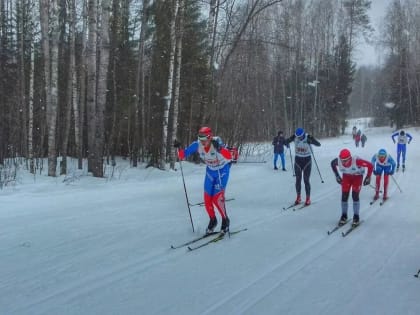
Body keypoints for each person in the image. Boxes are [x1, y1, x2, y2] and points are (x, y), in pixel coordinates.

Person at [174, 126, 232, 234]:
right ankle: (213, 220)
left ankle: (225, 220)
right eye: (200, 138)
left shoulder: (217, 142)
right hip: (210, 172)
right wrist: (178, 148)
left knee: (216, 198)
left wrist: (220, 148)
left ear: (210, 137)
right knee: (207, 198)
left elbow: (229, 156)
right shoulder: (197, 145)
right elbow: (182, 155)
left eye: (204, 139)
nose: (202, 141)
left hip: (222, 171)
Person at [331, 149, 373, 227]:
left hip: (357, 177)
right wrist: (337, 175)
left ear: (350, 158)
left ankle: (356, 216)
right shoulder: (338, 161)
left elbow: (370, 165)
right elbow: (332, 164)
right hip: (346, 176)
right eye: (342, 160)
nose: (343, 162)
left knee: (355, 195)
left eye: (346, 160)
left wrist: (368, 177)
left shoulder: (357, 161)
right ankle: (344, 215)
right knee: (344, 196)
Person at [285, 127, 321, 206]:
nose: (299, 138)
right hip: (298, 160)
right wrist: (286, 143)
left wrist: (311, 140)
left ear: (303, 134)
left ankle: (308, 198)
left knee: (306, 180)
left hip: (307, 161)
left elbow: (318, 144)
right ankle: (298, 197)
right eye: (298, 137)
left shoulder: (308, 137)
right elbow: (286, 141)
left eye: (300, 136)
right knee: (298, 180)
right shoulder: (295, 137)